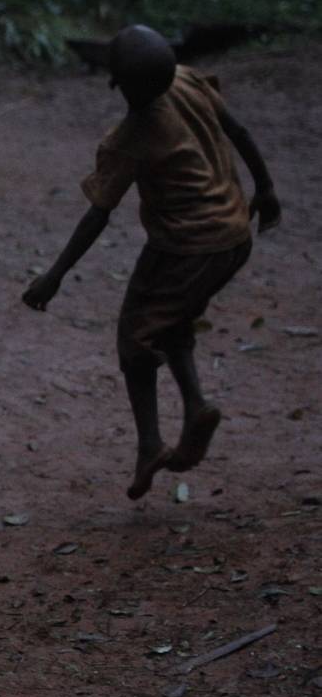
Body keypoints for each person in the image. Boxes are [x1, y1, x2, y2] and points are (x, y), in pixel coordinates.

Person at [23, 25, 281, 500]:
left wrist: (54, 275)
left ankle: (149, 444)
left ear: (116, 83)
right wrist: (265, 188)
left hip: (187, 247)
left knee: (134, 334)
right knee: (171, 319)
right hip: (233, 235)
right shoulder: (187, 80)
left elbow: (98, 214)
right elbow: (239, 131)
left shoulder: (130, 138)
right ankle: (195, 406)